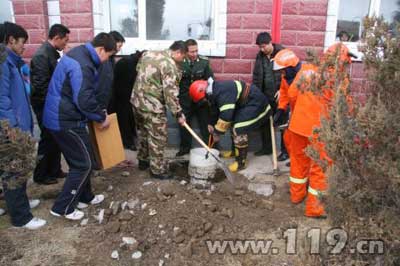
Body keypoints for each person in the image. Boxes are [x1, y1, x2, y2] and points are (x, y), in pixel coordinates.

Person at [43, 33, 116, 220]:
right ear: (101, 50)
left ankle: (85, 196)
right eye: (108, 56)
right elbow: (83, 100)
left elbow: (85, 94)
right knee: (83, 164)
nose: (107, 60)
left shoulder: (82, 54)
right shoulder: (83, 64)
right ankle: (62, 207)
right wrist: (101, 117)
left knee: (83, 159)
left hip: (65, 117)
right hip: (64, 121)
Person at [0, 22, 46, 229]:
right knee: (14, 171)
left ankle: (19, 203)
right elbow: (2, 100)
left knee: (13, 170)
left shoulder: (12, 62)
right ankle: (21, 217)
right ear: (11, 40)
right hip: (10, 129)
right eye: (22, 43)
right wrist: (13, 130)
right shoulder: (3, 63)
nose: (24, 47)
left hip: (16, 124)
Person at [189, 78, 272, 172]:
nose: (203, 102)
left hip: (257, 104)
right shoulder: (215, 91)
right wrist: (212, 124)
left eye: (202, 100)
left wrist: (216, 133)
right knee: (234, 124)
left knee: (239, 128)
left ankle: (241, 162)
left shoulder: (221, 93)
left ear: (204, 92)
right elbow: (215, 110)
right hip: (247, 103)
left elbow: (226, 116)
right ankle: (235, 152)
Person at [131, 41, 187, 180]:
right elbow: (170, 94)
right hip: (152, 107)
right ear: (178, 52)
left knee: (143, 132)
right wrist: (178, 114)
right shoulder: (170, 65)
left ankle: (143, 161)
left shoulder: (148, 54)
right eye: (183, 57)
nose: (183, 60)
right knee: (158, 138)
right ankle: (157, 170)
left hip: (137, 101)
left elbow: (138, 70)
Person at [30, 23, 70, 185]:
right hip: (45, 105)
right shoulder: (42, 56)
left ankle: (54, 170)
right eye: (65, 40)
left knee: (55, 138)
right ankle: (41, 175)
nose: (66, 44)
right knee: (47, 139)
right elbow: (41, 87)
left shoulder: (52, 53)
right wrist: (54, 104)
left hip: (53, 104)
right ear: (56, 38)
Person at [248, 32, 289, 161]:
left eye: (264, 46)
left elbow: (290, 74)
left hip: (279, 95)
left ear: (271, 42)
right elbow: (256, 76)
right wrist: (257, 94)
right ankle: (267, 148)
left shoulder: (283, 53)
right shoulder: (260, 57)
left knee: (282, 124)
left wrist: (282, 91)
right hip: (264, 96)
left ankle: (285, 151)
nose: (262, 49)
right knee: (265, 122)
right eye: (260, 47)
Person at [176, 39, 213, 157]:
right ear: (186, 52)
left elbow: (210, 80)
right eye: (192, 52)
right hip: (185, 100)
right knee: (184, 126)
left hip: (201, 100)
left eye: (196, 51)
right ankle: (184, 149)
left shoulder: (204, 62)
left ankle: (211, 148)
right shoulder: (180, 62)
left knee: (206, 124)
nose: (195, 54)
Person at [111, 50, 145, 151]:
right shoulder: (127, 63)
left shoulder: (130, 61)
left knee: (129, 119)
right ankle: (127, 142)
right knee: (125, 120)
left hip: (126, 96)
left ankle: (130, 140)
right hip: (122, 97)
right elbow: (124, 84)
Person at [96, 30, 125, 111]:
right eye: (119, 46)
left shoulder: (110, 58)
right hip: (101, 106)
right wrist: (102, 108)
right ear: (112, 43)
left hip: (107, 103)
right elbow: (102, 85)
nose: (119, 49)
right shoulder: (104, 60)